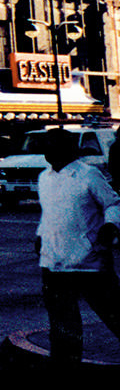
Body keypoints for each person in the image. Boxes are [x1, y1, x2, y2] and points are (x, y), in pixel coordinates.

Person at [35, 127, 120, 366]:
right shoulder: (44, 178)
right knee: (63, 324)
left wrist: (111, 226)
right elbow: (50, 213)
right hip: (53, 264)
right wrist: (41, 235)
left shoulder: (89, 175)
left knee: (114, 314)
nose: (47, 153)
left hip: (89, 262)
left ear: (68, 149)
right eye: (46, 148)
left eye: (52, 147)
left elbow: (113, 203)